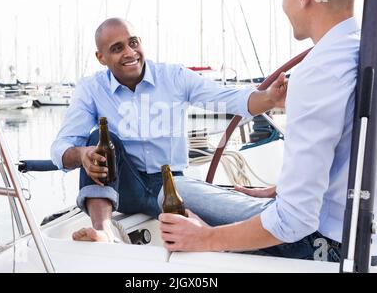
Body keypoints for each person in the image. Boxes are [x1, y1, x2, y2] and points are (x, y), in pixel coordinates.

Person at [159, 0, 377, 265]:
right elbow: (369, 153)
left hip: (326, 246)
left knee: (174, 191)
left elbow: (294, 221)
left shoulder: (319, 70)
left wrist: (206, 238)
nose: (283, 4)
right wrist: (286, 187)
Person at [50, 18, 288, 242]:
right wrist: (82, 155)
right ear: (101, 58)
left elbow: (226, 99)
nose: (130, 52)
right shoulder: (91, 89)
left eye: (133, 43)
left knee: (249, 215)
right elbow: (62, 147)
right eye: (117, 48)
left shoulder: (174, 77)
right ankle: (103, 232)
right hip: (124, 188)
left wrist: (269, 98)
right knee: (100, 139)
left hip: (171, 184)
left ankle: (305, 227)